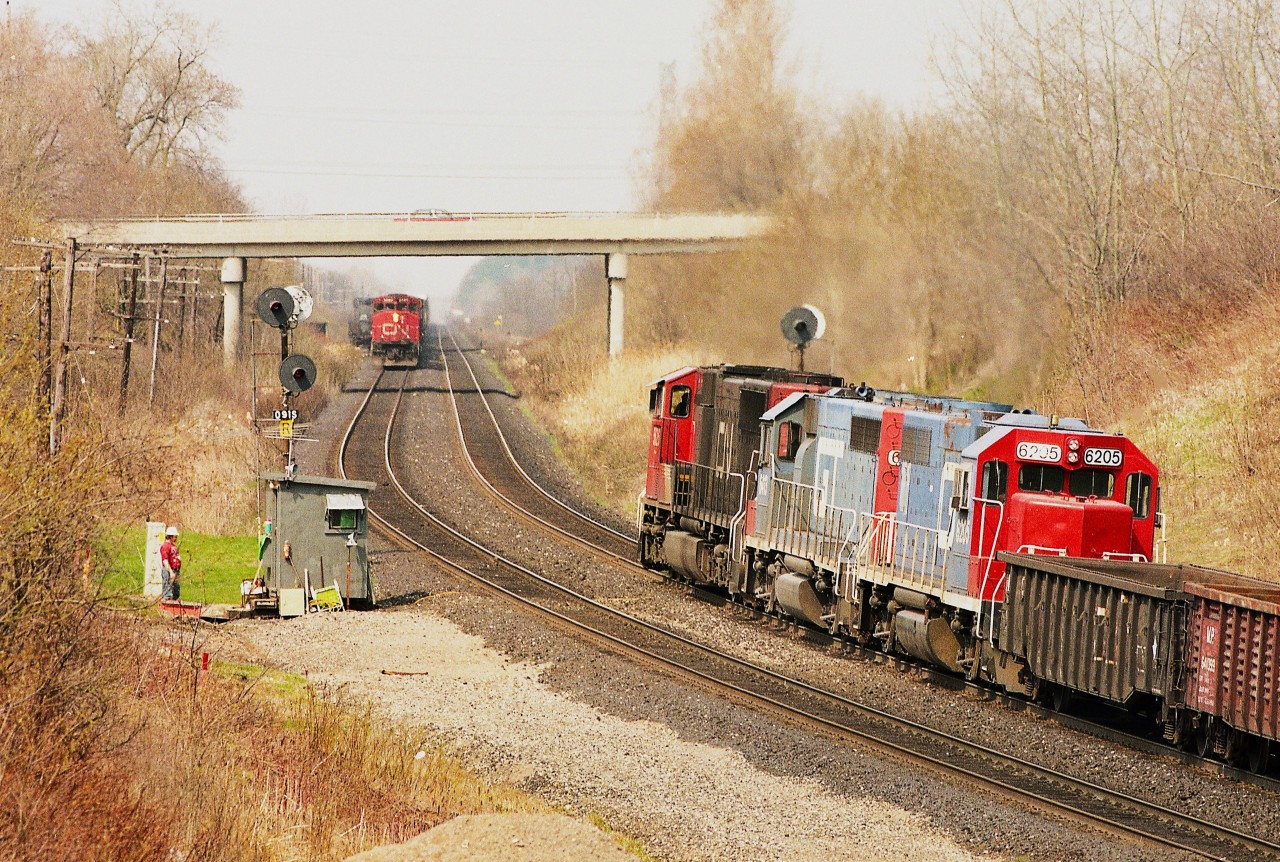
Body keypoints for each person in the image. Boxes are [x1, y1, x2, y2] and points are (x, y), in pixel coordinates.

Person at [160, 526, 181, 601]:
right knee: (167, 588)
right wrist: (171, 572)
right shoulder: (165, 546)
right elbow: (165, 561)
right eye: (175, 536)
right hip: (169, 570)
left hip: (175, 570)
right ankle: (166, 602)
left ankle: (174, 601)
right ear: (171, 536)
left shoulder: (173, 546)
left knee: (176, 590)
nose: (176, 538)